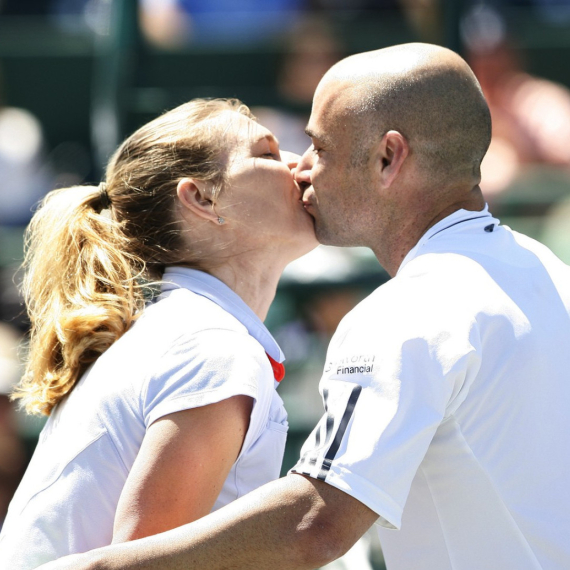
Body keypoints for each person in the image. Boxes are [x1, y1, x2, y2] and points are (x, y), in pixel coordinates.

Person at [40, 42, 570, 570]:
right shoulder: (550, 272)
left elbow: (316, 524)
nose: (303, 167)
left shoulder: (406, 313)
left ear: (388, 158)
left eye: (320, 147)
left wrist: (94, 568)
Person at [0, 97, 318, 569]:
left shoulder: (194, 335)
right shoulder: (211, 349)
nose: (302, 162)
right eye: (268, 154)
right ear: (202, 198)